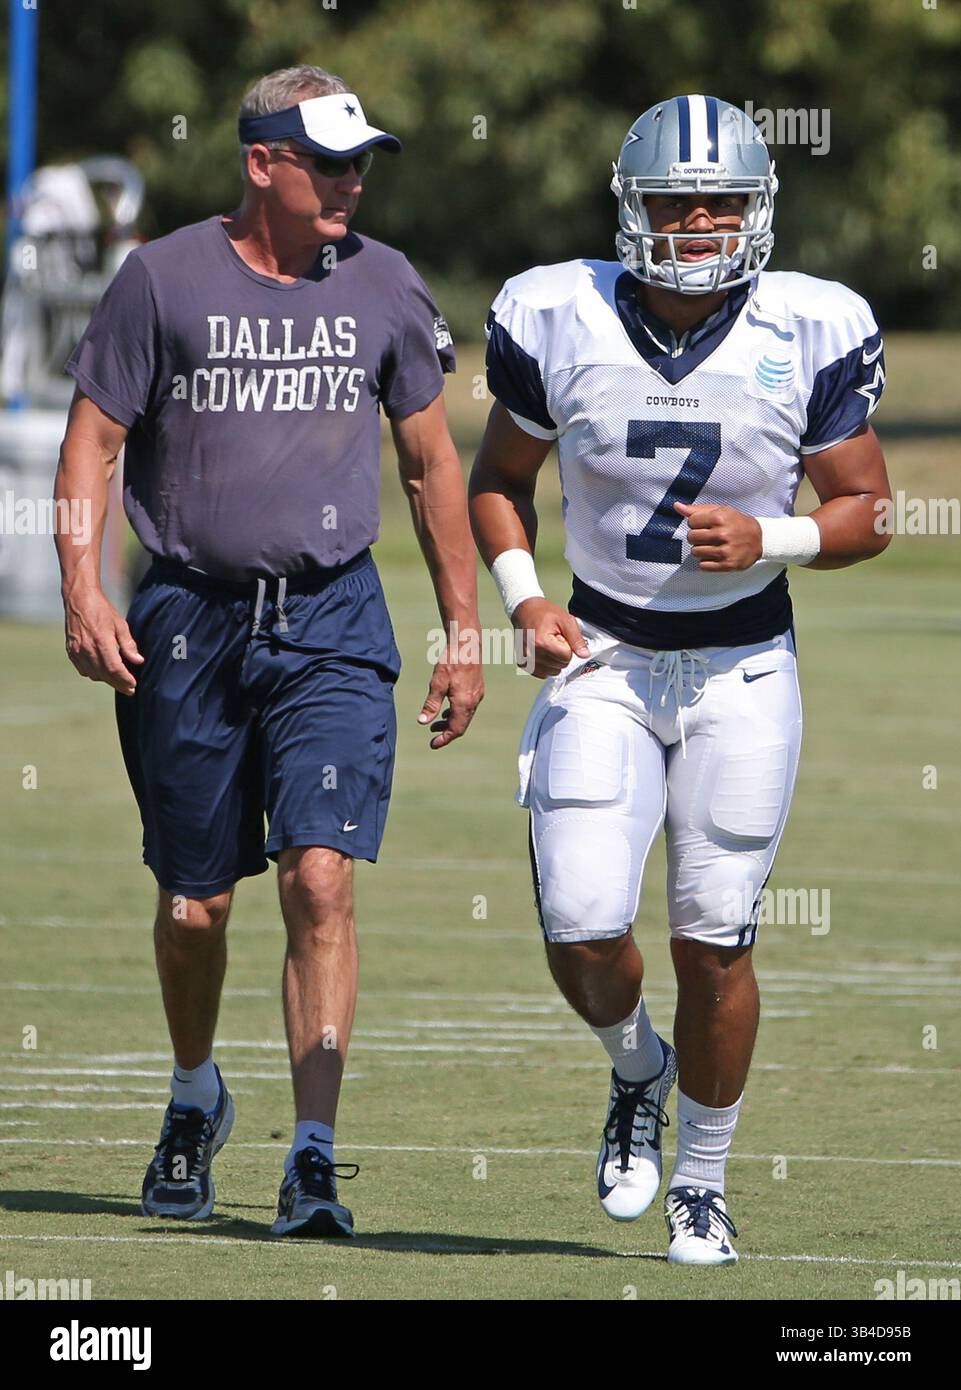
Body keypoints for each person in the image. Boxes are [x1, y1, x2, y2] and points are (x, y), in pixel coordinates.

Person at [54, 65, 483, 1239]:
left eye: (360, 164)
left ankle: (313, 1153)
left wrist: (463, 627)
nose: (349, 184)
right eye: (326, 162)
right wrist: (82, 587)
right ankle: (197, 1093)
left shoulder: (385, 284)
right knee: (194, 904)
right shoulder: (162, 279)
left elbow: (431, 464)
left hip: (335, 620)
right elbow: (94, 440)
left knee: (320, 875)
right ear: (260, 164)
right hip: (186, 616)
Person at [469, 95, 891, 1265]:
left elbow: (869, 511)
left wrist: (776, 540)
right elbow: (496, 477)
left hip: (743, 662)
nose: (697, 222)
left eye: (719, 202)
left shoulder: (809, 325)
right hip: (599, 651)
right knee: (580, 923)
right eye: (672, 200)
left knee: (715, 939)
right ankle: (635, 1070)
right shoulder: (558, 312)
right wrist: (522, 596)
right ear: (630, 206)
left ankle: (701, 1180)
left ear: (759, 211)